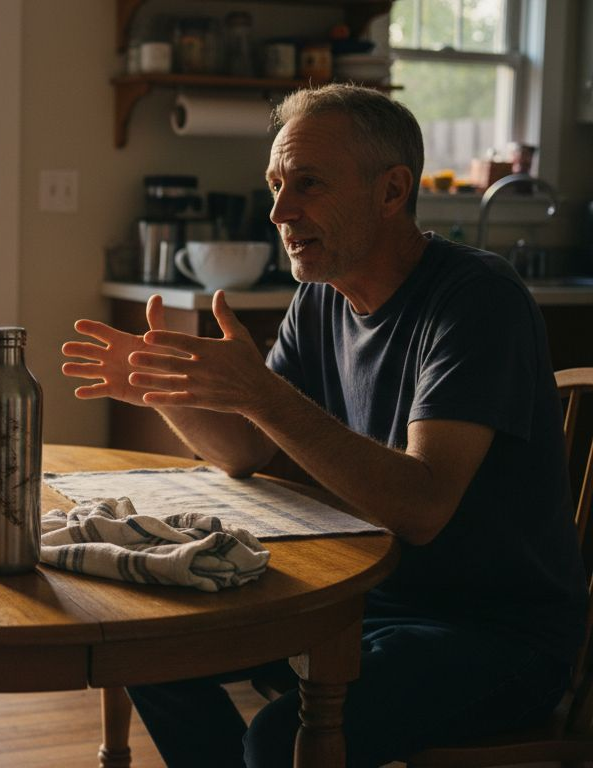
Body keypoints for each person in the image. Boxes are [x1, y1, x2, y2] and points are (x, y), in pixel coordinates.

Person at [62, 84, 586, 766]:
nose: (280, 211)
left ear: (392, 191)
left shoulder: (477, 301)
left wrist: (266, 396)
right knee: (146, 640)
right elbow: (246, 451)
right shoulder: (320, 298)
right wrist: (170, 391)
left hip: (495, 636)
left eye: (307, 184)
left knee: (277, 740)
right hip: (357, 600)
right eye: (276, 184)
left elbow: (423, 506)